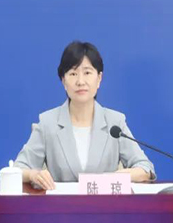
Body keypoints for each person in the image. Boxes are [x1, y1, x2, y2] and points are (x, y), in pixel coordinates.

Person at [14, 41, 155, 189]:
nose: (80, 81)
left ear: (99, 78)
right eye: (73, 74)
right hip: (61, 203)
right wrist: (33, 175)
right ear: (64, 81)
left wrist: (117, 177)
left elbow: (145, 168)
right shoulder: (48, 123)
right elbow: (18, 169)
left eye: (87, 73)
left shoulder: (115, 122)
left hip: (105, 203)